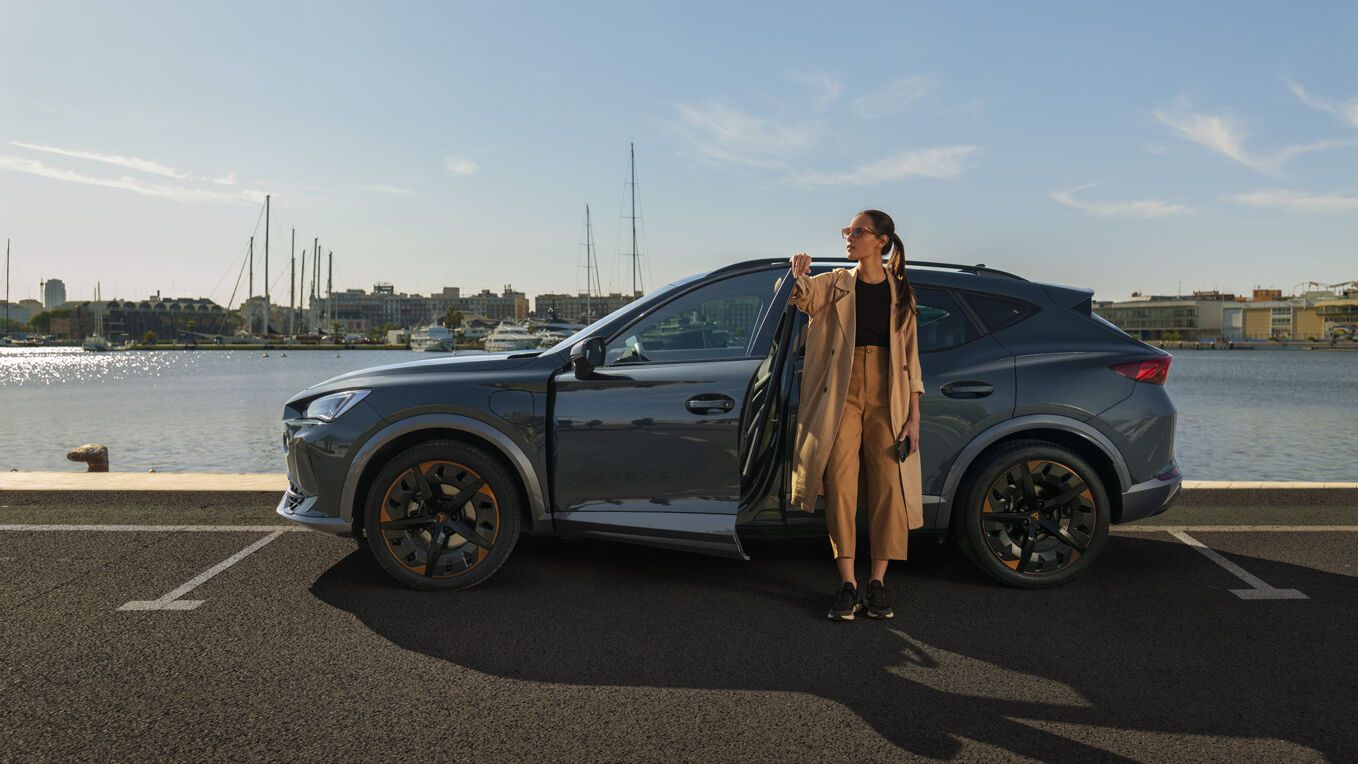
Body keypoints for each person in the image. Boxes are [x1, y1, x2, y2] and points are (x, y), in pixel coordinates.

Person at [787, 210, 926, 621]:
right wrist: (798, 274)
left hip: (890, 394)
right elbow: (803, 298)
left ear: (881, 240)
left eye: (858, 231)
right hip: (841, 394)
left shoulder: (902, 292)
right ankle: (847, 583)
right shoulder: (835, 282)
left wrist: (913, 416)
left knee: (889, 487)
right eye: (847, 230)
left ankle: (878, 584)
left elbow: (913, 360)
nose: (849, 236)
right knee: (840, 483)